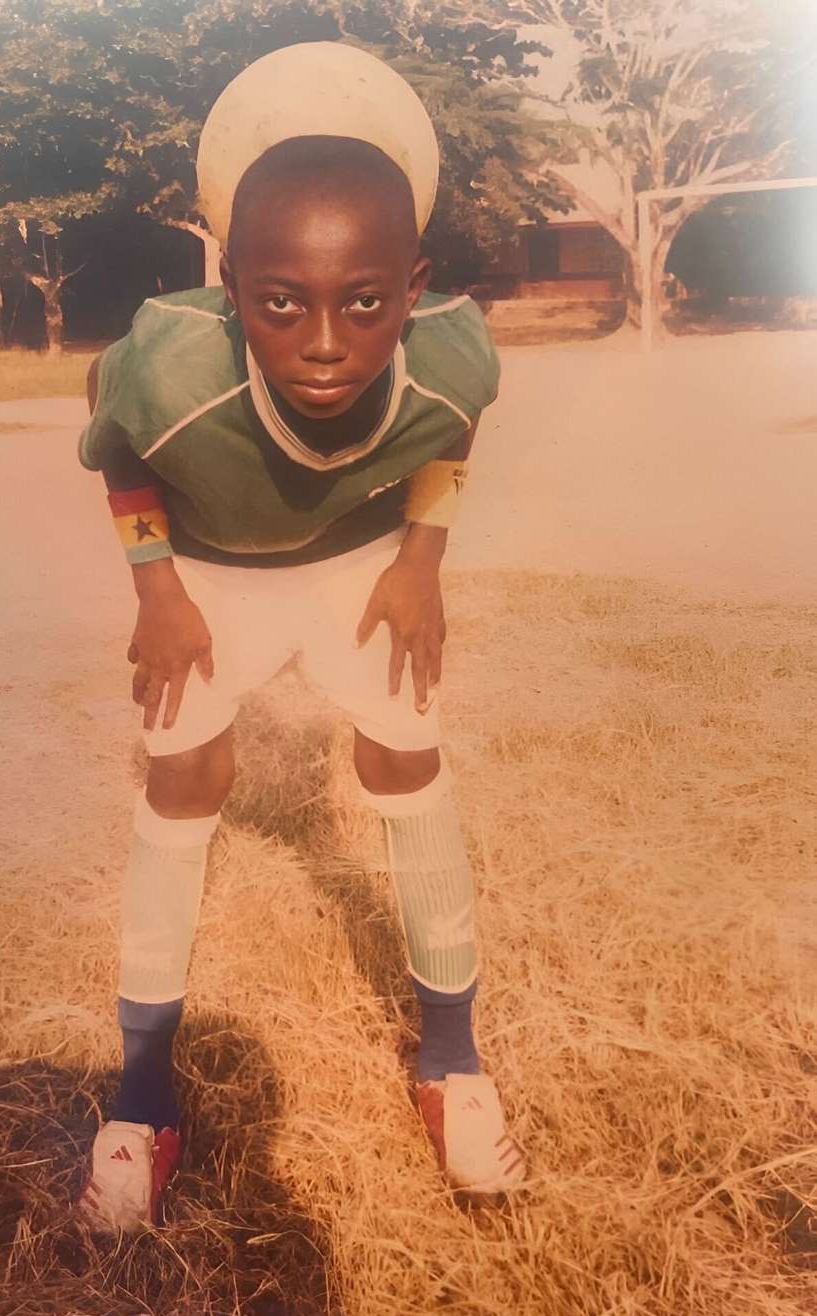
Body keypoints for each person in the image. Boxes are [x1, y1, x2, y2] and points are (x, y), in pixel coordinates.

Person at [76, 41, 525, 1235]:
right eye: (281, 304)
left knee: (407, 763)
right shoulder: (172, 366)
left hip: (352, 565)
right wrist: (154, 587)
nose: (324, 340)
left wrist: (421, 564)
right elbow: (114, 439)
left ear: (415, 287)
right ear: (233, 294)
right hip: (210, 570)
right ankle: (140, 1095)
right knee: (184, 776)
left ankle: (451, 1059)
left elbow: (449, 432)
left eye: (365, 302)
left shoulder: (456, 351)